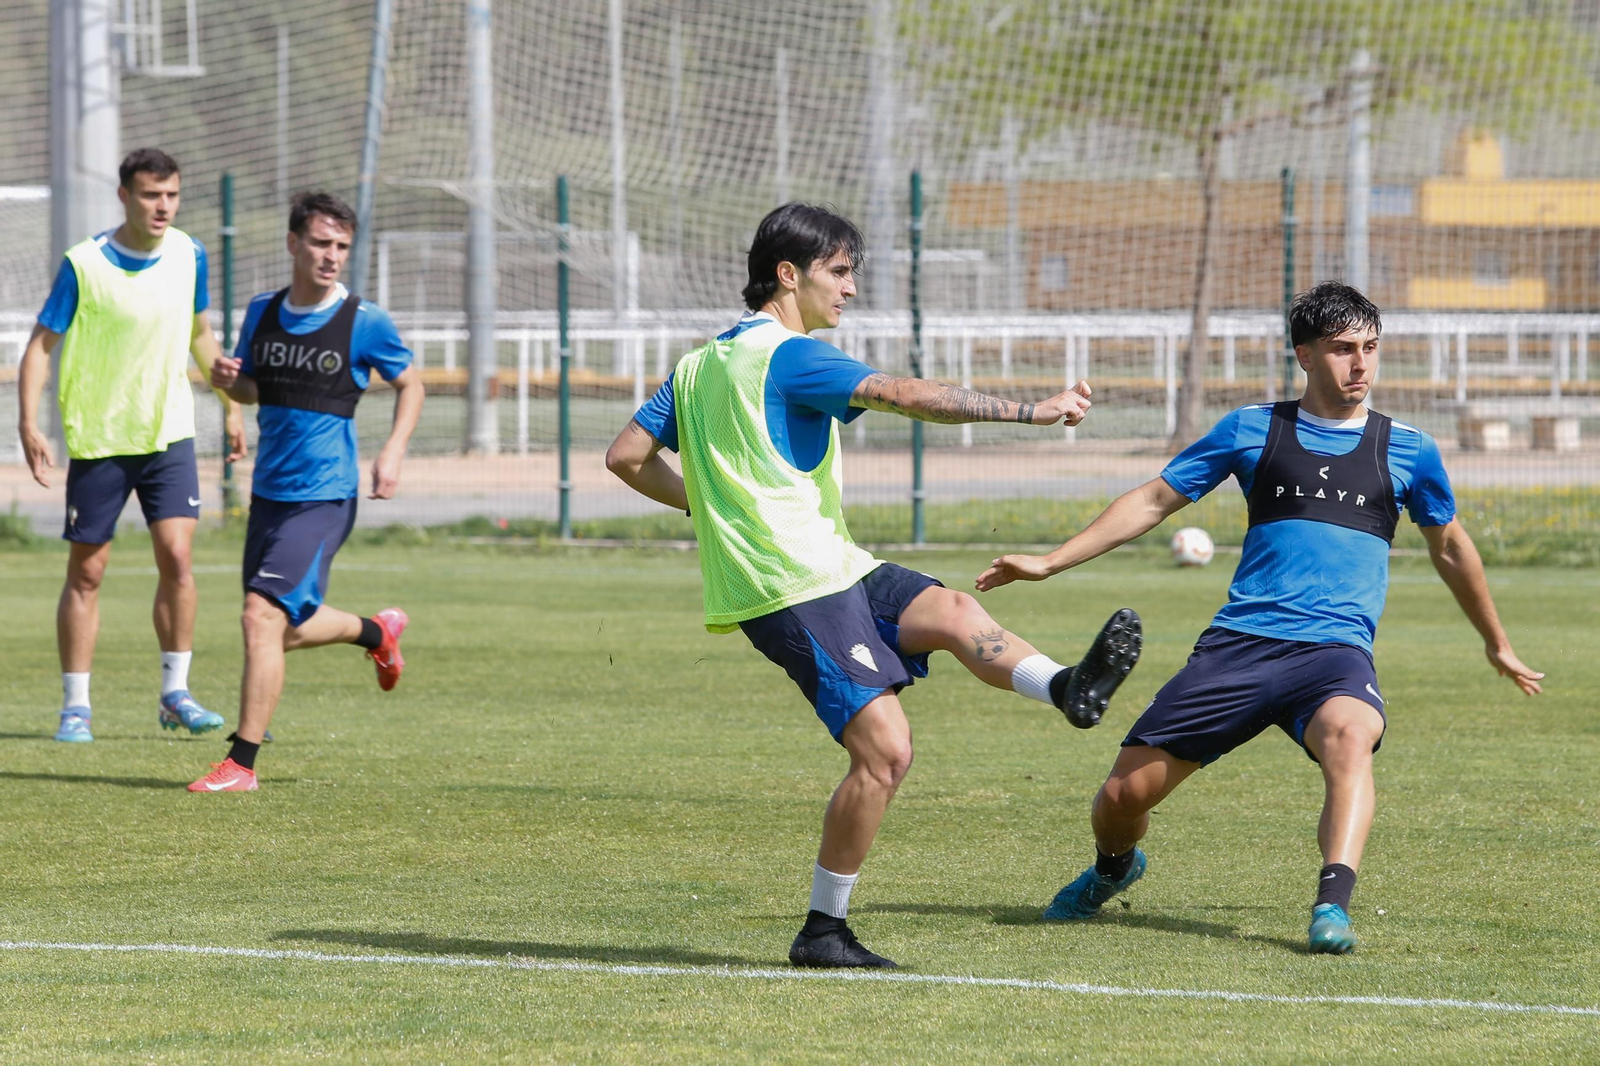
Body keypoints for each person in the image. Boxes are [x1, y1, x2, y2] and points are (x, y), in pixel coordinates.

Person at [606, 202, 1143, 969]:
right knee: (885, 753)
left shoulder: (696, 366)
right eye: (840, 271)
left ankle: (1066, 688)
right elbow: (906, 395)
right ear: (788, 276)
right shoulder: (788, 355)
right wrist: (1035, 410)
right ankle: (824, 931)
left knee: (956, 612)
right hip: (790, 583)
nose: (851, 288)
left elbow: (626, 455)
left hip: (835, 564)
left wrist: (708, 498)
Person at [976, 281, 1544, 953]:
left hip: (1334, 652)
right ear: (1303, 354)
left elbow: (1449, 546)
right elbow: (1155, 500)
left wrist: (1497, 643)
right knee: (1123, 798)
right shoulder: (1253, 429)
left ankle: (1332, 906)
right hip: (1240, 647)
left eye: (1370, 348)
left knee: (1351, 738)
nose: (1360, 364)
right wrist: (1050, 560)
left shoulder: (1409, 449)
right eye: (1341, 349)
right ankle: (1114, 867)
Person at [188, 191, 424, 793]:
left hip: (324, 496)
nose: (331, 256)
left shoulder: (363, 320)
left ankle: (240, 764)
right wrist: (230, 382)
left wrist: (392, 452)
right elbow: (250, 392)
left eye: (342, 246)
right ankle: (377, 632)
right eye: (321, 243)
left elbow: (411, 386)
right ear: (293, 243)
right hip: (269, 494)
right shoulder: (263, 311)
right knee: (278, 628)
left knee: (259, 616)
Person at [17, 147, 246, 744]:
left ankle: (176, 694)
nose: (163, 205)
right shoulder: (84, 263)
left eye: (171, 194)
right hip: (100, 438)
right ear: (125, 196)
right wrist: (28, 422)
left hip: (168, 432)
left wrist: (230, 406)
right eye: (151, 194)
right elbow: (42, 344)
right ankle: (76, 706)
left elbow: (200, 333)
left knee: (178, 558)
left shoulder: (189, 253)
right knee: (88, 572)